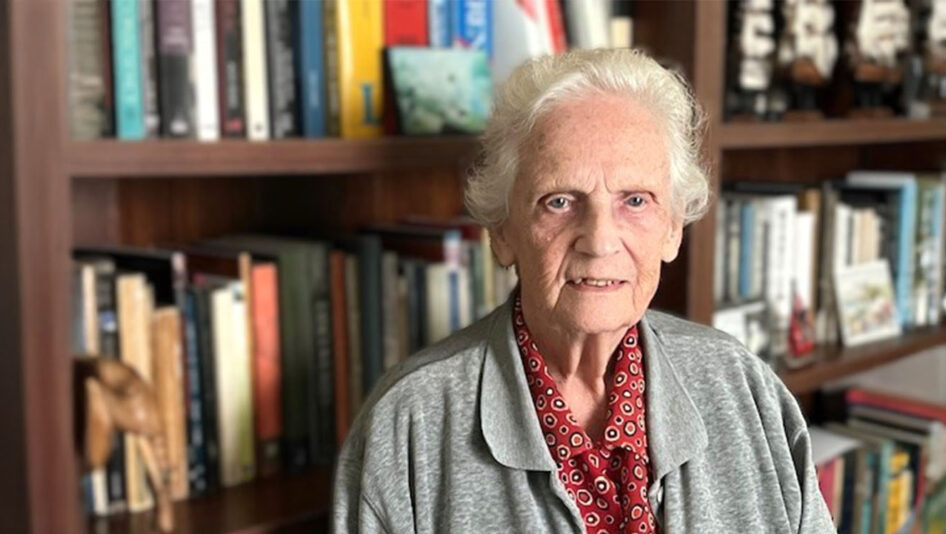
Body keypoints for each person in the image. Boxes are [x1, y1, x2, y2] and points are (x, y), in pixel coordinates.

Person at [332, 48, 834, 533]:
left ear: (672, 229)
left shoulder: (745, 388)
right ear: (502, 231)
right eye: (559, 201)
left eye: (635, 201)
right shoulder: (408, 425)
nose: (599, 241)